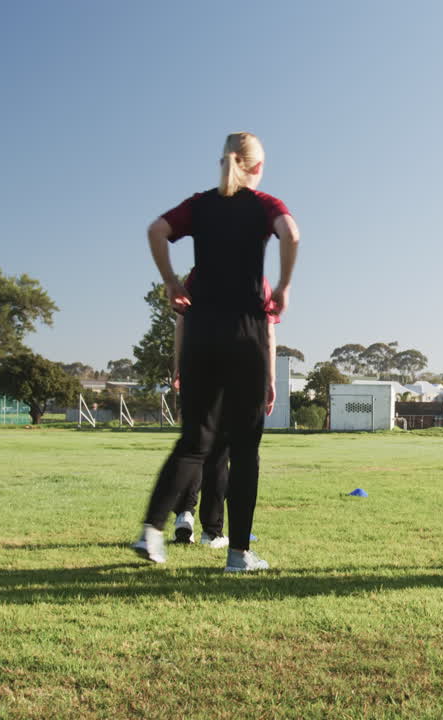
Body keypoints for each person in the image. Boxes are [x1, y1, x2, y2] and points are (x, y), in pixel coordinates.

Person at [132, 132, 300, 572]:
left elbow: (156, 230)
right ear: (257, 167)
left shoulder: (200, 204)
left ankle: (151, 532)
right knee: (244, 449)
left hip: (201, 330)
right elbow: (292, 235)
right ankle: (238, 554)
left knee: (194, 440)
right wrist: (282, 285)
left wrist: (171, 281)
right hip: (244, 332)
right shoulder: (265, 205)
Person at [170, 268, 282, 549]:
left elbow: (182, 323)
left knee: (197, 444)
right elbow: (267, 331)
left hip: (201, 366)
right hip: (241, 370)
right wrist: (270, 379)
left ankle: (184, 513)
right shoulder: (258, 280)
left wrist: (179, 366)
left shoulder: (198, 276)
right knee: (222, 451)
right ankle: (212, 530)